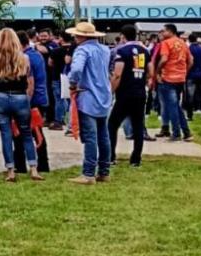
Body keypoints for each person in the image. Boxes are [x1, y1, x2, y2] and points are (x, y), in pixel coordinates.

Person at [0, 28, 40, 182]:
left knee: (6, 135)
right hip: (20, 97)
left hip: (1, 97)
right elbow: (29, 80)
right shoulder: (24, 58)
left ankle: (11, 170)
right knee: (26, 133)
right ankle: (33, 168)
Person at [67, 22, 113, 185]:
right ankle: (104, 171)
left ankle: (88, 173)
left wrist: (72, 84)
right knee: (103, 135)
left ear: (81, 36)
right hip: (104, 95)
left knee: (91, 137)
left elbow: (77, 69)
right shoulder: (105, 50)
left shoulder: (82, 50)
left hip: (87, 96)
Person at [108, 25, 150, 167]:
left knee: (112, 124)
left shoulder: (122, 51)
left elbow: (118, 73)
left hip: (125, 93)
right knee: (138, 125)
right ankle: (136, 159)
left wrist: (111, 91)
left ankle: (111, 156)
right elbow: (150, 71)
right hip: (140, 92)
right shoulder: (144, 51)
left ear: (123, 36)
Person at [17, 30, 50, 173]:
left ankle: (20, 165)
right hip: (40, 98)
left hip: (31, 99)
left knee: (20, 133)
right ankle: (43, 164)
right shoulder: (37, 55)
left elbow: (30, 83)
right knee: (37, 132)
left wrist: (25, 101)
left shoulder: (25, 58)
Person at [153, 24, 192, 141]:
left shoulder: (166, 43)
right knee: (175, 106)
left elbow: (164, 59)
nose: (161, 33)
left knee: (172, 106)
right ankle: (186, 131)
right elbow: (191, 61)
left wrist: (157, 72)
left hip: (168, 77)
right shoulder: (183, 43)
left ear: (170, 31)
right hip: (180, 78)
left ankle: (176, 133)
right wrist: (184, 72)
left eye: (163, 31)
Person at [185, 33, 201, 122]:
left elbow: (188, 61)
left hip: (192, 74)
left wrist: (186, 72)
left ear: (189, 40)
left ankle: (190, 115)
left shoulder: (189, 49)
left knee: (190, 96)